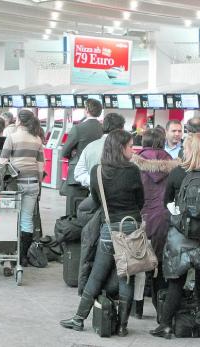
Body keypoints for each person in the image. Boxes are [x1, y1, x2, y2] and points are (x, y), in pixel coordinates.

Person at [60, 129, 144, 337]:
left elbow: (97, 202)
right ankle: (123, 326)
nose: (132, 150)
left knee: (97, 274)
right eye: (130, 146)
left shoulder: (97, 171)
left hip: (109, 227)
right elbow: (140, 201)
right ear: (120, 148)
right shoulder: (133, 171)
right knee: (126, 277)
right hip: (131, 227)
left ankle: (79, 318)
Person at [150, 133, 200, 339]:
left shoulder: (177, 172)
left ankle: (164, 325)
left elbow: (167, 203)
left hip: (181, 239)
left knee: (176, 282)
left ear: (188, 150)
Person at [130, 129, 178, 314]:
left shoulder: (135, 163)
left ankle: (138, 308)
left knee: (138, 264)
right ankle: (161, 309)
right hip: (164, 219)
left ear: (144, 141)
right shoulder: (171, 164)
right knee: (160, 262)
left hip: (140, 216)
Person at [0, 109, 44, 266]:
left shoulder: (12, 137)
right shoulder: (37, 139)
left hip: (16, 184)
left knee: (11, 219)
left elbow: (2, 161)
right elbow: (40, 167)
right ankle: (21, 257)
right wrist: (39, 186)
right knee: (27, 220)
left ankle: (9, 256)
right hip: (33, 184)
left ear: (19, 121)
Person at [61, 99, 104, 215]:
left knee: (73, 211)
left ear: (86, 111)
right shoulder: (103, 129)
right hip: (98, 174)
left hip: (77, 177)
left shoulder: (78, 128)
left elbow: (64, 152)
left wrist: (73, 154)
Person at [74, 113, 126, 188]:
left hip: (94, 195)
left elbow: (78, 173)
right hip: (118, 196)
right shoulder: (123, 147)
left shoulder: (89, 147)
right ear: (121, 129)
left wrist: (95, 181)